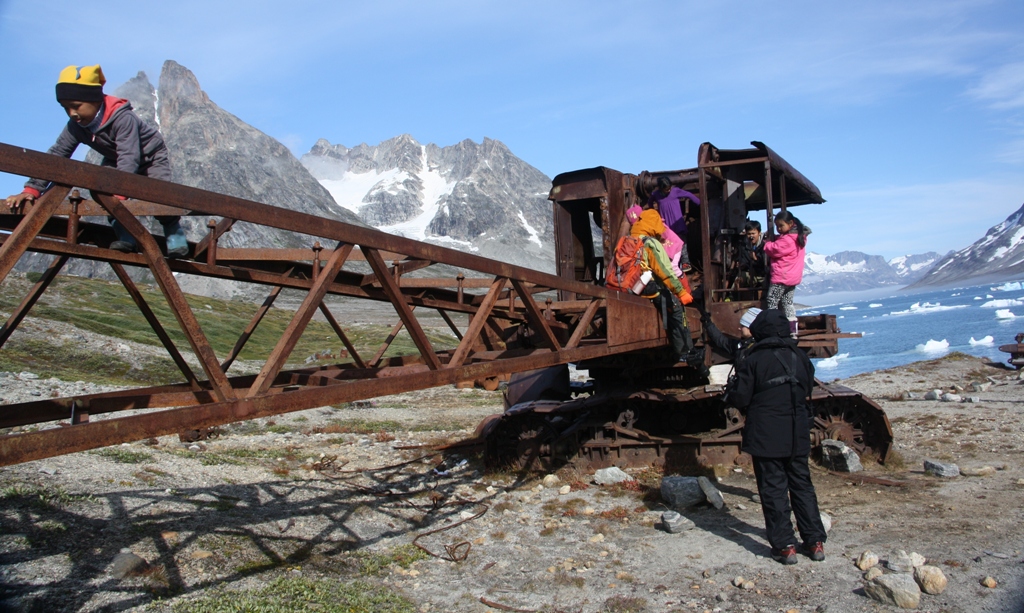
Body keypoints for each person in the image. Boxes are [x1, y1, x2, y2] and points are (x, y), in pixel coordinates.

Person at [4, 64, 188, 258]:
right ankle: (127, 236)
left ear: (95, 99)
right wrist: (32, 189)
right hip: (115, 158)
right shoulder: (75, 126)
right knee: (104, 194)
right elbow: (57, 155)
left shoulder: (122, 118)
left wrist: (120, 192)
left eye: (76, 106)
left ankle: (174, 233)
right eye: (66, 108)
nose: (72, 113)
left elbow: (130, 156)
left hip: (150, 157)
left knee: (160, 195)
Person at [725, 308, 826, 565]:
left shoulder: (753, 360)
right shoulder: (799, 357)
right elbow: (808, 386)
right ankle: (814, 542)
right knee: (802, 486)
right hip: (797, 432)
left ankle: (785, 547)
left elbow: (741, 398)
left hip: (766, 434)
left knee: (774, 489)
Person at [628, 208, 697, 363]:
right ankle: (685, 352)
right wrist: (681, 292)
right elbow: (666, 272)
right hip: (648, 288)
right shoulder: (650, 243)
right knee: (676, 310)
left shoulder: (628, 239)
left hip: (630, 288)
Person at [763, 211, 808, 338]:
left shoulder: (788, 240)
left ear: (790, 223)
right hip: (793, 279)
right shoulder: (798, 237)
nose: (778, 229)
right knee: (787, 303)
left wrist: (767, 243)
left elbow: (774, 249)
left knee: (772, 302)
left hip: (781, 277)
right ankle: (793, 331)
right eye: (777, 226)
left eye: (781, 226)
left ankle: (774, 329)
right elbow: (781, 242)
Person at [647, 176, 701, 270]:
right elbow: (650, 202)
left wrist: (700, 203)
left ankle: (685, 262)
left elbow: (688, 194)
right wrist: (654, 213)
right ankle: (673, 265)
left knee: (682, 242)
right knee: (669, 245)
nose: (669, 190)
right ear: (661, 188)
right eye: (666, 189)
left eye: (669, 188)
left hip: (677, 222)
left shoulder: (675, 191)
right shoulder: (656, 195)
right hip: (666, 225)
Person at [738, 220, 768, 289]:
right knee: (740, 278)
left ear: (759, 233)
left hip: (762, 275)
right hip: (750, 273)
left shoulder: (765, 245)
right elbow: (744, 259)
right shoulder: (744, 245)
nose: (751, 236)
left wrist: (756, 259)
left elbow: (765, 264)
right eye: (749, 234)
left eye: (753, 233)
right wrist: (742, 265)